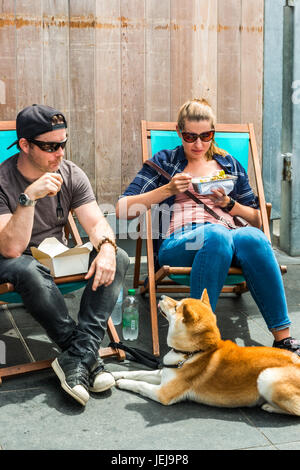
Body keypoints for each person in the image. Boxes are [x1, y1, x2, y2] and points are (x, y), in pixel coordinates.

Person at [117, 98, 300, 355]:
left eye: (207, 135)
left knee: (254, 238)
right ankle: (198, 340)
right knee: (215, 235)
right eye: (191, 136)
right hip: (180, 241)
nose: (199, 144)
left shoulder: (229, 164)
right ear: (179, 132)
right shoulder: (166, 162)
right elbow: (123, 209)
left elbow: (259, 218)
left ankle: (283, 339)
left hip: (227, 234)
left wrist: (230, 204)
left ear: (214, 132)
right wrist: (167, 189)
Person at [0, 104, 129, 406]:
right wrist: (29, 197)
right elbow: (10, 249)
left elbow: (96, 223)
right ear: (25, 145)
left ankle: (76, 357)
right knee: (27, 268)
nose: (60, 153)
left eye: (63, 144)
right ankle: (86, 356)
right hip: (11, 263)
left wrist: (107, 248)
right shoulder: (3, 181)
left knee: (119, 257)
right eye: (50, 146)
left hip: (55, 258)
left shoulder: (71, 174)